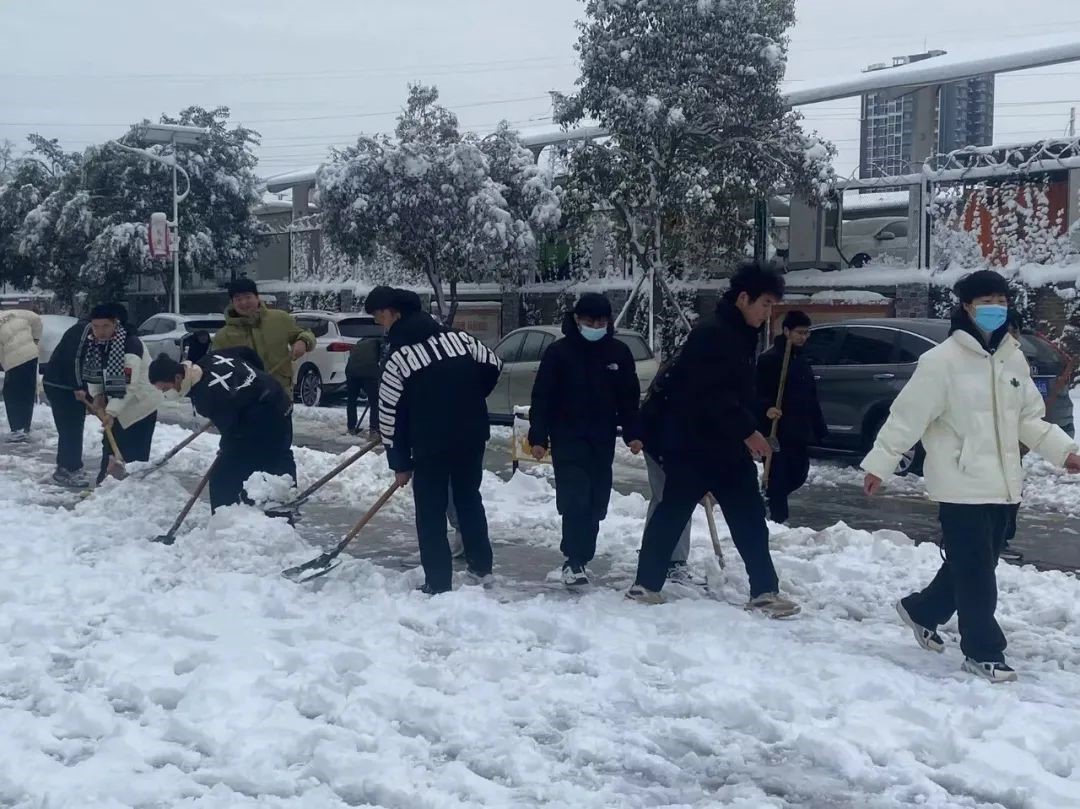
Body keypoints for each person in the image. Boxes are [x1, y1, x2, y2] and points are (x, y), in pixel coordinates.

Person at [863, 270, 1080, 683]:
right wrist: (881, 463)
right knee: (978, 571)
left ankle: (922, 609)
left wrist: (1063, 451)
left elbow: (1028, 419)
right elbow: (907, 417)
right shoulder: (940, 362)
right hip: (959, 482)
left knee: (974, 563)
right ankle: (983, 651)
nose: (995, 307)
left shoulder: (1013, 358)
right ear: (966, 306)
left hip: (1003, 483)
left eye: (1001, 300)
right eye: (986, 301)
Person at [630, 261, 799, 616]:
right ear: (743, 298)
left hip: (724, 447)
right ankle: (645, 585)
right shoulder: (713, 335)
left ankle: (764, 591)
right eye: (765, 304)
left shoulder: (740, 335)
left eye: (772, 305)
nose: (768, 313)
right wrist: (748, 431)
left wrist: (755, 419)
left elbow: (737, 393)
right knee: (672, 514)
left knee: (748, 518)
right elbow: (709, 395)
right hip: (693, 445)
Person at [374, 288, 503, 594]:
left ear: (395, 314)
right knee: (468, 499)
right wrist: (469, 397)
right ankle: (481, 568)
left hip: (430, 443)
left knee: (430, 510)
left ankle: (438, 581)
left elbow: (389, 413)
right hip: (471, 434)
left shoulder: (399, 357)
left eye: (380, 316)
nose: (380, 323)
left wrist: (399, 462)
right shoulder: (458, 339)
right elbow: (493, 364)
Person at [528, 293, 643, 587]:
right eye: (591, 322)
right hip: (567, 437)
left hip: (601, 439)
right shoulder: (559, 353)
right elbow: (542, 397)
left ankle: (582, 557)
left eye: (602, 322)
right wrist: (538, 436)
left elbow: (628, 398)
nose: (596, 327)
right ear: (578, 320)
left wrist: (634, 433)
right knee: (575, 497)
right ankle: (573, 558)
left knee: (595, 502)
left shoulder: (618, 353)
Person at [149, 347, 296, 511]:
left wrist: (226, 448)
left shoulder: (205, 397)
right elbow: (247, 352)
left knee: (226, 476)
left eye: (165, 388)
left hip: (266, 417)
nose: (165, 394)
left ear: (177, 377)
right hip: (278, 397)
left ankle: (229, 516)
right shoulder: (211, 357)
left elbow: (233, 430)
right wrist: (257, 377)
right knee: (278, 455)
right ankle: (283, 498)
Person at [756, 310, 827, 525]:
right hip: (776, 430)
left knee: (799, 473)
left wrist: (819, 428)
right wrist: (767, 408)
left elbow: (810, 396)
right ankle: (778, 518)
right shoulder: (770, 359)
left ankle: (769, 499)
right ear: (786, 331)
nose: (803, 337)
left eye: (806, 333)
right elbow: (756, 392)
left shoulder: (801, 359)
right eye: (799, 333)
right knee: (778, 475)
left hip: (798, 429)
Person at [77, 304, 162, 483]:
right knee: (109, 449)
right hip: (117, 404)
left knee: (132, 456)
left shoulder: (131, 345)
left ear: (115, 324)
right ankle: (104, 485)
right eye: (96, 326)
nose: (100, 332)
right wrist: (98, 396)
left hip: (139, 406)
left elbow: (128, 385)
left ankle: (129, 489)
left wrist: (111, 412)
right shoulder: (94, 344)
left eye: (105, 326)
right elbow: (94, 375)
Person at [211, 279, 316, 399]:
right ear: (232, 302)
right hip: (244, 400)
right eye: (238, 299)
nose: (244, 302)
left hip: (280, 395)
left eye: (248, 297)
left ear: (257, 297)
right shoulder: (223, 336)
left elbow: (306, 334)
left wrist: (303, 341)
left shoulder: (280, 319)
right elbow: (215, 369)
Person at [42, 318, 91, 487]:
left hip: (69, 386)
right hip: (60, 385)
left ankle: (66, 467)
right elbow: (74, 359)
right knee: (71, 428)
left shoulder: (94, 332)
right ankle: (69, 468)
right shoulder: (82, 331)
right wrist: (78, 386)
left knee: (72, 428)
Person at [0, 309, 42, 443]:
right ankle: (25, 427)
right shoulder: (17, 312)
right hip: (31, 354)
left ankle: (17, 429)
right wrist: (35, 339)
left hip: (13, 359)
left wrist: (5, 365)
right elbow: (36, 319)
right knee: (27, 390)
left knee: (11, 393)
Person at [345, 335, 381, 435]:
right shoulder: (380, 343)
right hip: (369, 373)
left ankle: (351, 427)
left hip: (351, 372)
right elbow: (383, 360)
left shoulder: (360, 342)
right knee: (374, 402)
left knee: (351, 400)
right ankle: (374, 429)